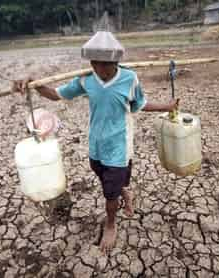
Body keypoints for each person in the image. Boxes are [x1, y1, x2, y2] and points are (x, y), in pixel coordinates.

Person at [13, 31, 179, 254]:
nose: (98, 68)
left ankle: (111, 223)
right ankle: (125, 193)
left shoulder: (130, 79)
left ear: (115, 61)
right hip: (96, 146)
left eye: (104, 64)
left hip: (118, 148)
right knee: (103, 177)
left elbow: (139, 104)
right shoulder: (86, 79)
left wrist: (167, 107)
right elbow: (55, 94)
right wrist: (34, 83)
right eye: (94, 62)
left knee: (109, 194)